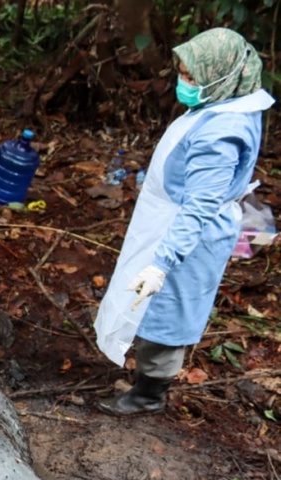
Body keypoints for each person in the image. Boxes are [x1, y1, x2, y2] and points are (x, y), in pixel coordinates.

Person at [94, 28, 275, 416]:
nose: (184, 82)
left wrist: (162, 263)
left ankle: (149, 395)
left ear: (221, 75)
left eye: (191, 76)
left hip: (187, 234)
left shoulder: (223, 131)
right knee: (151, 304)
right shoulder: (229, 101)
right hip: (169, 219)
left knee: (166, 311)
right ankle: (145, 379)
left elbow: (199, 206)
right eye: (182, 72)